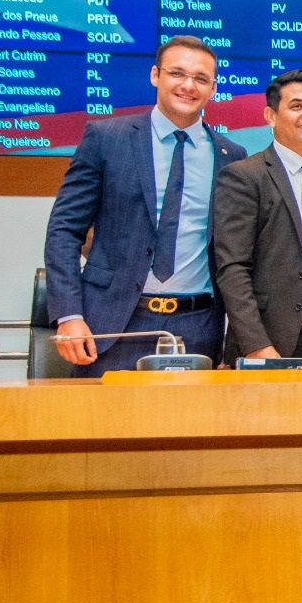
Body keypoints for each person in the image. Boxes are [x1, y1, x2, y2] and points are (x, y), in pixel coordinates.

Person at [44, 35, 247, 375]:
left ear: (213, 88)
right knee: (105, 427)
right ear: (156, 75)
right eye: (177, 73)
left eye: (200, 79)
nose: (188, 85)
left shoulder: (231, 157)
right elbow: (64, 230)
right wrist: (69, 315)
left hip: (198, 327)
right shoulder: (106, 138)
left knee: (190, 429)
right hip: (110, 326)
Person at [213, 70, 302, 373]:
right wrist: (256, 345)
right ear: (270, 115)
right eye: (297, 106)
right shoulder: (245, 176)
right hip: (273, 344)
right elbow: (232, 268)